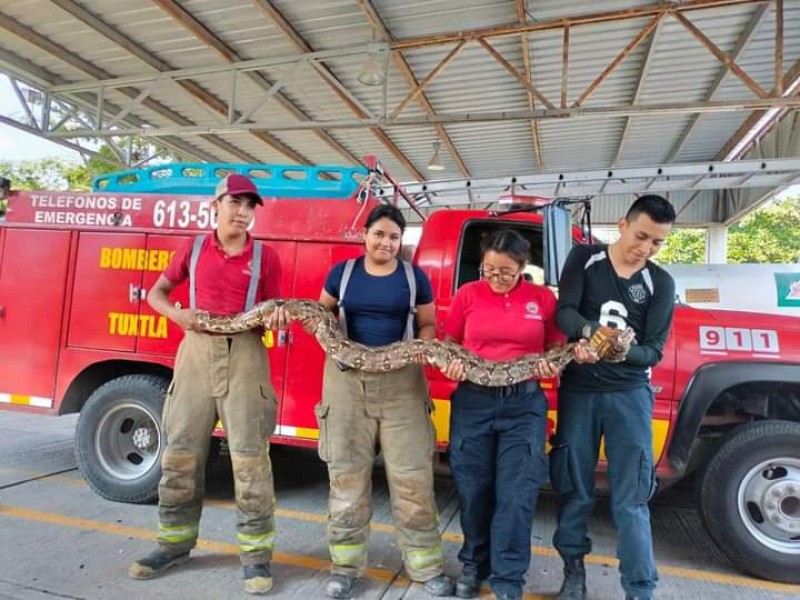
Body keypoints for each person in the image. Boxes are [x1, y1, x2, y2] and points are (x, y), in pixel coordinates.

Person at [128, 174, 286, 595]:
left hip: (246, 355)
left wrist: (276, 318)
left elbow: (274, 310)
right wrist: (177, 315)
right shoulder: (193, 248)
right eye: (236, 203)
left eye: (250, 206)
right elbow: (157, 293)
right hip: (195, 352)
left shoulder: (266, 257)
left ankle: (255, 558)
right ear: (215, 205)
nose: (243, 212)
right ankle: (173, 545)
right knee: (180, 453)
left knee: (251, 461)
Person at [312, 204, 453, 598]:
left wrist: (422, 348)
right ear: (366, 235)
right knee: (346, 479)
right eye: (379, 234)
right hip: (346, 383)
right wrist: (332, 342)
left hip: (402, 385)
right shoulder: (343, 273)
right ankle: (345, 567)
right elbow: (320, 315)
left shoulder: (414, 277)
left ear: (400, 241)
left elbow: (427, 323)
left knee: (412, 480)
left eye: (394, 237)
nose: (385, 243)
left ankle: (426, 568)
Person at [550, 195, 677, 600]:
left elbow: (653, 350)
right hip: (581, 392)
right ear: (623, 224)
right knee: (574, 487)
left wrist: (619, 351)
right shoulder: (584, 259)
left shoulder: (661, 282)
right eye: (642, 236)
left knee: (632, 497)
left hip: (629, 395)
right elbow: (564, 312)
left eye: (657, 242)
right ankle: (573, 572)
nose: (646, 248)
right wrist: (590, 335)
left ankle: (640, 588)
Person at [439, 229, 565, 600]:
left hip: (523, 405)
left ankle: (508, 577)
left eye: (505, 271)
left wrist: (550, 366)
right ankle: (474, 564)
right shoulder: (468, 294)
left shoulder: (542, 299)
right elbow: (450, 344)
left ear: (523, 268)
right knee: (473, 489)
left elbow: (556, 346)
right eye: (489, 269)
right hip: (473, 403)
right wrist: (451, 364)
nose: (495, 277)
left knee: (516, 494)